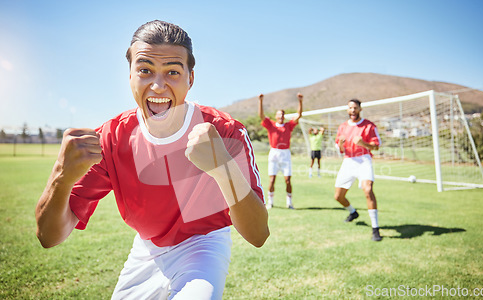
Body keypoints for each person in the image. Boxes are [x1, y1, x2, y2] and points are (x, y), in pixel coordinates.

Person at [35, 20, 269, 299]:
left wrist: (223, 168)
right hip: (147, 248)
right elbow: (49, 237)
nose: (158, 86)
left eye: (172, 72)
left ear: (190, 78)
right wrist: (62, 177)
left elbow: (258, 235)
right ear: (130, 75)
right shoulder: (111, 138)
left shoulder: (224, 130)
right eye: (145, 70)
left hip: (203, 245)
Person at [334, 99, 382, 241]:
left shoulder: (369, 126)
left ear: (360, 109)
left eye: (355, 108)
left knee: (368, 190)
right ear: (347, 110)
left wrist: (363, 144)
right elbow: (340, 149)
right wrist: (341, 145)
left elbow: (376, 146)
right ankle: (353, 212)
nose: (352, 110)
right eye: (350, 108)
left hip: (364, 160)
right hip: (348, 161)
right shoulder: (342, 127)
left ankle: (375, 229)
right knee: (338, 197)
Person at [258, 93, 303, 209]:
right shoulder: (271, 125)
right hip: (274, 153)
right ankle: (270, 202)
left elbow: (299, 115)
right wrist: (261, 101)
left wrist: (300, 101)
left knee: (288, 180)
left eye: (283, 114)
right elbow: (261, 116)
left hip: (285, 154)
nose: (281, 116)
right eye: (279, 114)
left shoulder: (288, 125)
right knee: (272, 180)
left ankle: (289, 202)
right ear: (276, 116)